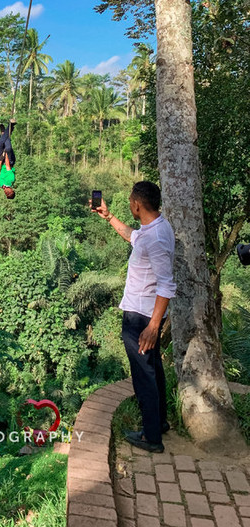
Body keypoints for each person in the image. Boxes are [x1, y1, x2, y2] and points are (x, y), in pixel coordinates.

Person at [90, 181, 176, 453]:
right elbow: (133, 237)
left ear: (137, 205)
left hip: (142, 318)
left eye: (130, 202)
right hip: (146, 314)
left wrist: (153, 326)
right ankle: (159, 422)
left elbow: (166, 285)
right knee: (153, 369)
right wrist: (108, 217)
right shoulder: (157, 228)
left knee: (143, 376)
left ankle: (151, 438)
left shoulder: (156, 238)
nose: (129, 205)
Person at [0, 122, 16, 199]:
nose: (7, 192)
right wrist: (5, 154)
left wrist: (0, 160)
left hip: (2, 161)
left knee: (0, 142)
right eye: (10, 192)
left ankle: (5, 132)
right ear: (12, 190)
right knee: (8, 147)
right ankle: (11, 126)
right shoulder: (11, 180)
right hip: (9, 161)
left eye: (7, 194)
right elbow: (7, 166)